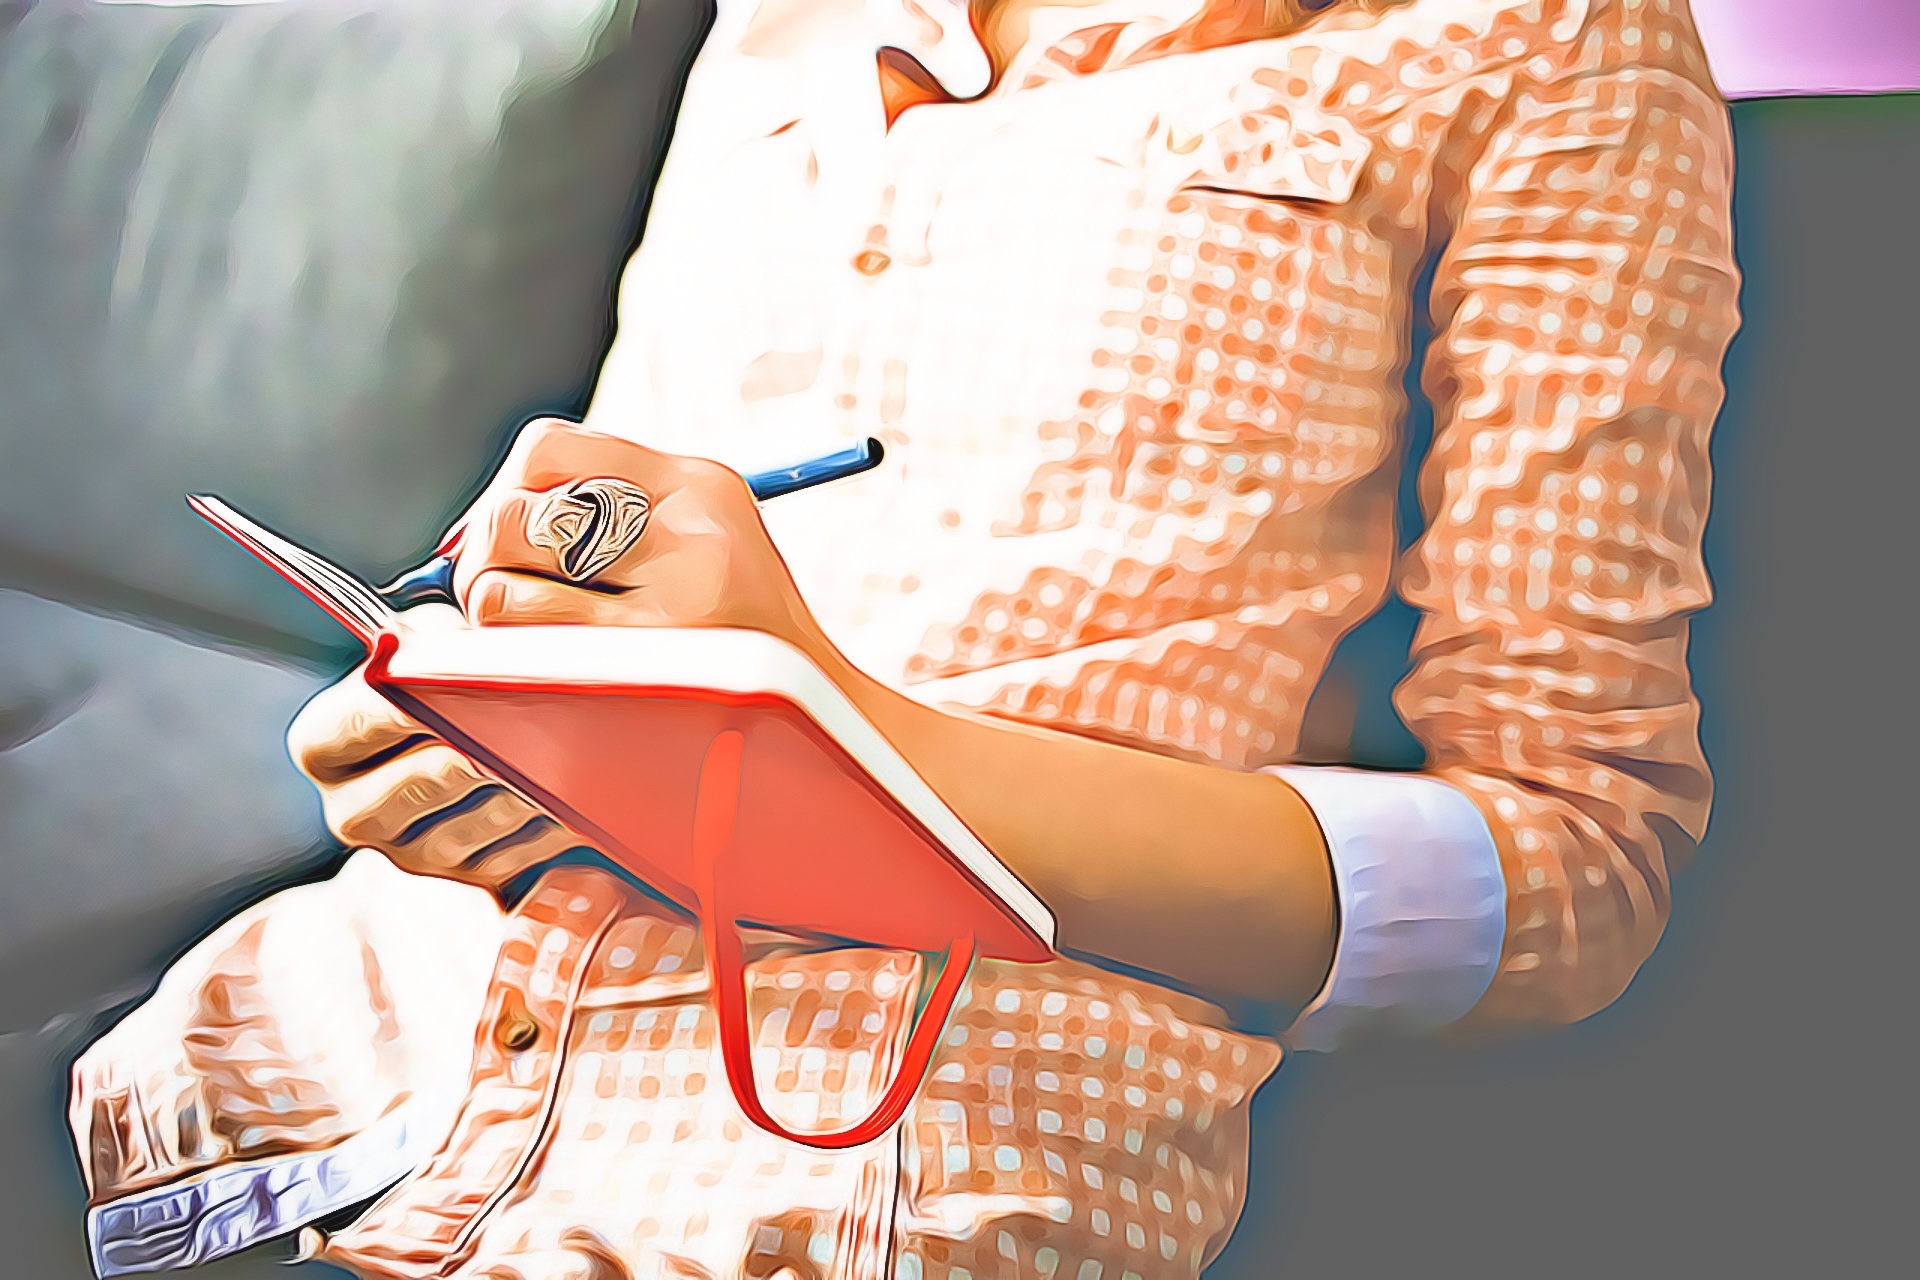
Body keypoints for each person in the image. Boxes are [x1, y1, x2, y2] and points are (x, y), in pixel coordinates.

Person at [67, 1, 1739, 1277]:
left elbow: (1579, 867)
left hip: (859, 1151)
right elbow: (628, 539)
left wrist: (819, 739)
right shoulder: (784, 22)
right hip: (330, 1049)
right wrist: (508, 703)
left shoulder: (1546, 42)